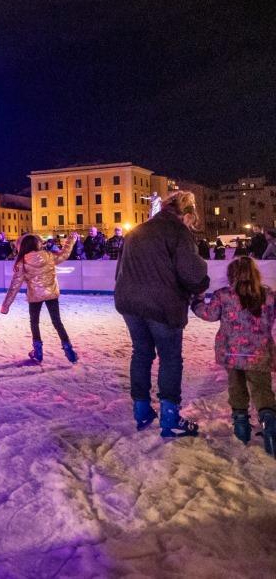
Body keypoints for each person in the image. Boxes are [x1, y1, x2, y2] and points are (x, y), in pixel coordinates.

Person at [115, 191, 209, 437]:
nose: (191, 225)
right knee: (170, 358)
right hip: (162, 304)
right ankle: (169, 416)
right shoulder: (177, 231)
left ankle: (142, 409)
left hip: (130, 302)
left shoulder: (138, 230)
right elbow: (191, 272)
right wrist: (201, 284)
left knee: (142, 352)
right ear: (186, 214)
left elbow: (120, 269)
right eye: (192, 220)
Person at [190, 257, 275, 454]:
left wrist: (197, 301)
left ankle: (241, 427)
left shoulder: (224, 295)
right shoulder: (268, 295)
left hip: (231, 352)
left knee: (236, 388)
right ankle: (270, 426)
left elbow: (208, 314)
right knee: (262, 390)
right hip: (259, 353)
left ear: (231, 275)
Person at [1, 232, 80, 364]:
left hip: (35, 296)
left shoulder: (22, 262)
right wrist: (71, 240)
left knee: (34, 322)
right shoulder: (49, 256)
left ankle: (38, 352)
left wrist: (6, 305)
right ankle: (69, 350)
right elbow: (64, 254)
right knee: (57, 322)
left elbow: (14, 286)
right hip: (51, 293)